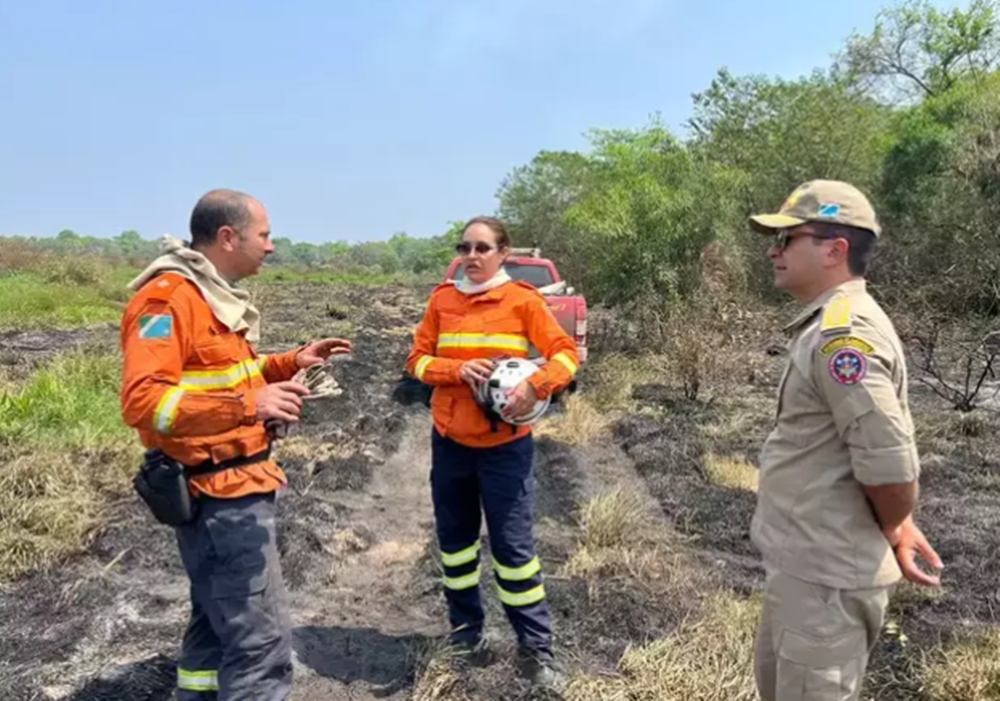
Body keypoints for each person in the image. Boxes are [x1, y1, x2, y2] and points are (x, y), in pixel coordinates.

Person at [119, 188, 351, 701]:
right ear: (228, 237)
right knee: (260, 649)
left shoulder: (209, 295)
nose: (270, 246)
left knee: (212, 629)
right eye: (263, 235)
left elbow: (226, 375)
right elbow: (143, 402)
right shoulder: (167, 301)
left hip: (235, 489)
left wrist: (289, 363)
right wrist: (250, 406)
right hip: (219, 500)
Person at [747, 180, 944, 701]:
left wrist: (896, 521)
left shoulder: (844, 335)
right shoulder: (828, 325)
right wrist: (898, 524)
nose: (773, 250)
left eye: (787, 238)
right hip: (807, 569)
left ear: (835, 250)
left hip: (826, 581)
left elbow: (891, 467)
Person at [404, 216, 580, 691]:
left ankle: (537, 651)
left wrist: (537, 386)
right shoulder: (442, 301)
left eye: (482, 248)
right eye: (465, 247)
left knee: (514, 552)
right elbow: (416, 361)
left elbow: (566, 354)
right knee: (456, 547)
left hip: (505, 449)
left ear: (503, 253)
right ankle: (466, 637)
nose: (472, 256)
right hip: (450, 445)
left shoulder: (523, 300)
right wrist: (455, 371)